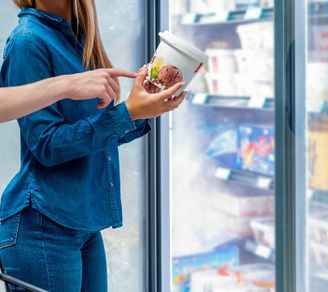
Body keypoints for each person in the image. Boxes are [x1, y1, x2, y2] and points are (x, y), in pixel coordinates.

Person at [0, 0, 187, 291]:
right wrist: (127, 114)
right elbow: (48, 146)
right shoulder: (28, 41)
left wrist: (140, 111)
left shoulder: (80, 41)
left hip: (82, 223)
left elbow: (91, 139)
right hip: (42, 224)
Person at [0, 68, 137, 123]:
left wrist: (136, 113)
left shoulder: (80, 37)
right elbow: (48, 146)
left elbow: (99, 145)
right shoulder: (27, 40)